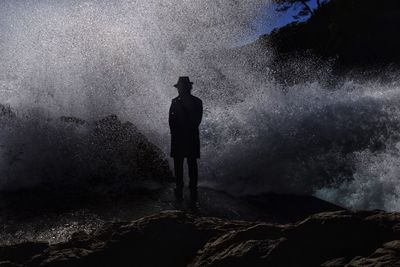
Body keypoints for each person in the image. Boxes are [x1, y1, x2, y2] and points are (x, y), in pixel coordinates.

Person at [169, 76, 203, 206]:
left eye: (180, 87)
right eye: (179, 87)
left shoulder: (191, 102)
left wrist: (177, 132)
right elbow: (171, 121)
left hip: (185, 136)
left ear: (187, 87)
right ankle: (184, 186)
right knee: (185, 162)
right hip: (186, 136)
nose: (179, 89)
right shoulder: (196, 101)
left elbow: (196, 121)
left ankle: (190, 186)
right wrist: (176, 133)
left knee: (189, 162)